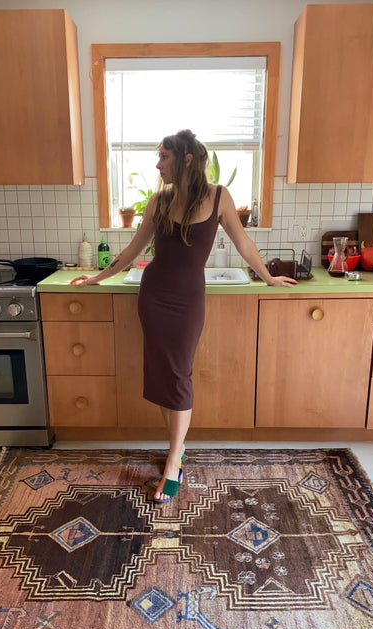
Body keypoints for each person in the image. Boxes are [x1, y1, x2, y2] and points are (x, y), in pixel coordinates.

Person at [71, 129, 297, 503]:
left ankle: (174, 460)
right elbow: (132, 251)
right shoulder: (159, 200)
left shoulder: (219, 196)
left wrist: (269, 277)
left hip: (187, 300)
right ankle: (176, 453)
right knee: (163, 375)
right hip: (153, 296)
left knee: (177, 374)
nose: (158, 165)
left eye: (164, 157)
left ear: (186, 159)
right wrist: (97, 278)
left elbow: (243, 241)